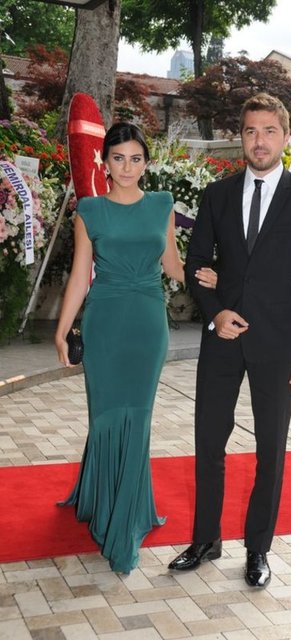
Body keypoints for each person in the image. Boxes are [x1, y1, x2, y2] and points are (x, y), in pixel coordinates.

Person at [168, 93, 291, 588]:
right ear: (241, 137)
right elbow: (197, 264)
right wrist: (215, 312)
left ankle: (258, 549)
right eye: (250, 131)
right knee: (208, 442)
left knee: (271, 449)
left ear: (285, 137)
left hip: (279, 343)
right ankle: (205, 540)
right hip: (222, 337)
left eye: (268, 131)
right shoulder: (217, 194)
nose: (259, 141)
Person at [55, 122, 217, 574]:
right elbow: (80, 275)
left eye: (136, 158)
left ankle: (124, 523)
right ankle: (102, 501)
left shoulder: (162, 204)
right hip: (105, 323)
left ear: (146, 162)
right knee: (105, 418)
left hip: (147, 324)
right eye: (118, 158)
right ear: (105, 163)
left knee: (138, 419)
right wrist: (61, 330)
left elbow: (173, 265)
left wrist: (212, 281)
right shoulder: (89, 210)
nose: (127, 167)